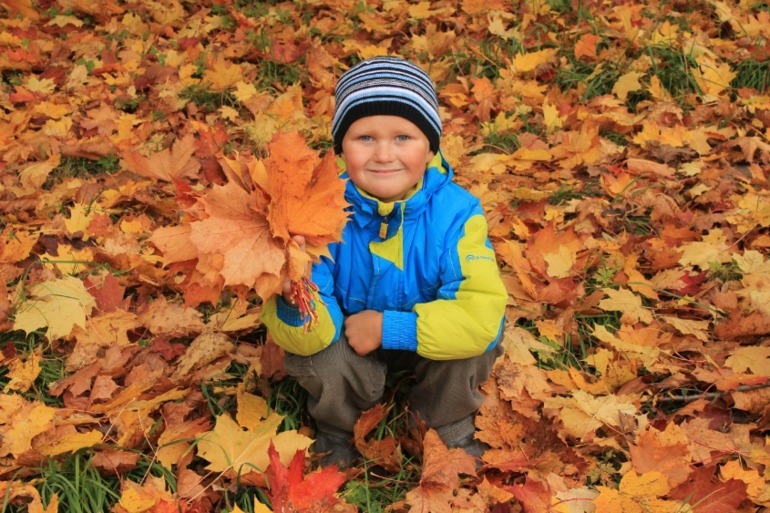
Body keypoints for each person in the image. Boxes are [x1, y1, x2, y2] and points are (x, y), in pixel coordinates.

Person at [260, 56, 508, 469]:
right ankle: (339, 427)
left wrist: (393, 328)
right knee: (319, 354)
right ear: (341, 147)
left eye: (404, 137)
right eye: (365, 138)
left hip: (429, 339)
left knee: (474, 341)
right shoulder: (317, 210)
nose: (384, 154)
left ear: (431, 146)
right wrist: (294, 297)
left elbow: (479, 313)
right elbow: (309, 336)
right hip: (348, 334)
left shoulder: (458, 214)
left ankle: (446, 423)